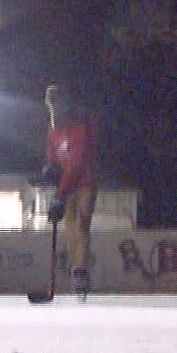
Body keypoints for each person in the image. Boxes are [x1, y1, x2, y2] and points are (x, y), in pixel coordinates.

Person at [45, 102, 99, 299]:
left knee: (81, 224)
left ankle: (80, 270)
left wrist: (59, 194)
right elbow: (52, 156)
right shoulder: (52, 130)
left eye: (54, 108)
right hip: (65, 186)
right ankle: (75, 266)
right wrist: (49, 169)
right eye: (49, 109)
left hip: (84, 182)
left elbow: (76, 166)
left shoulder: (80, 129)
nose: (52, 114)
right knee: (69, 227)